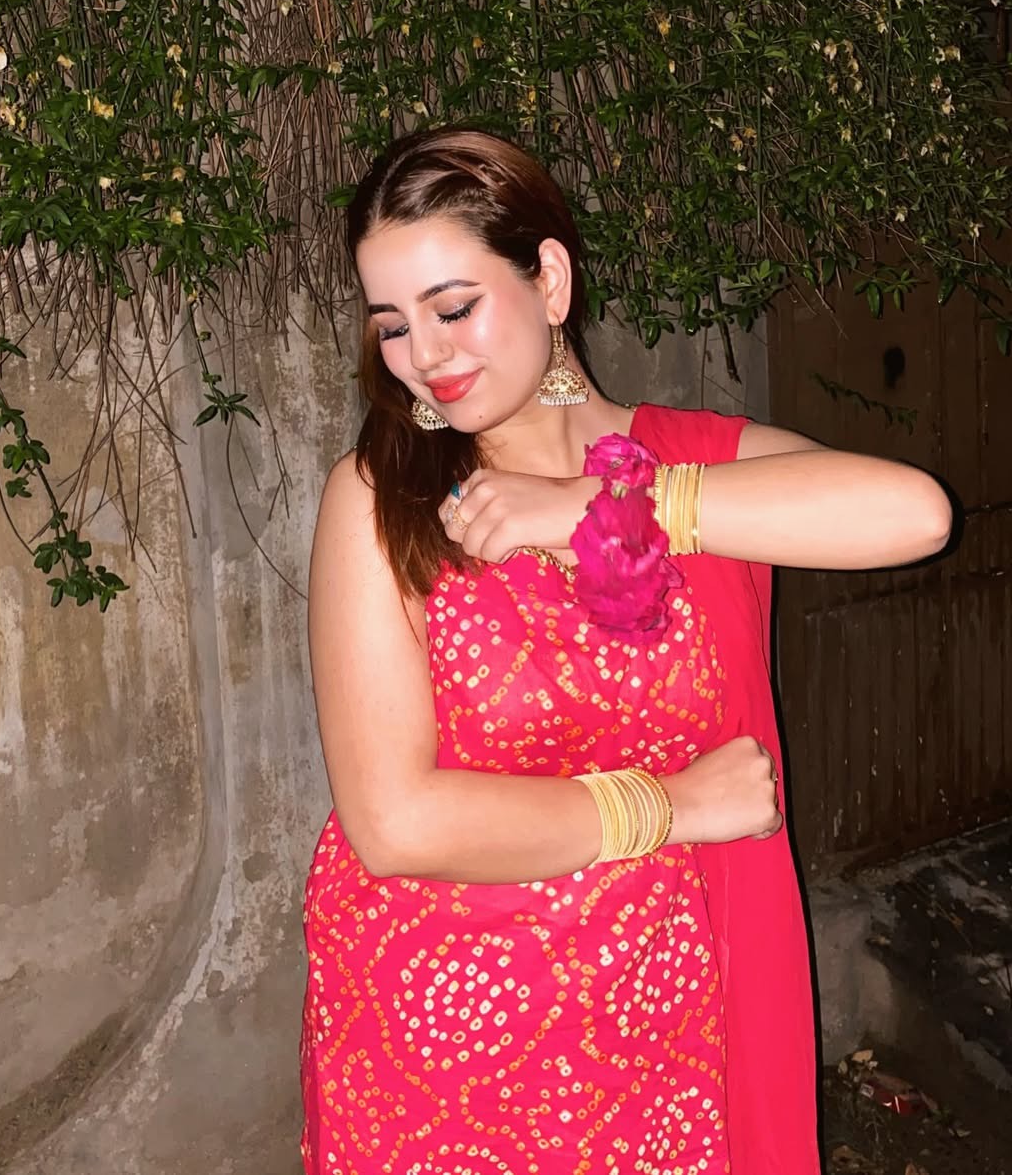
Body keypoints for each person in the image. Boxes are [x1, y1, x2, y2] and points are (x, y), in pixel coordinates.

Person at [300, 127, 951, 1175]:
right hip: (444, 1041)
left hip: (667, 1022)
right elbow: (394, 823)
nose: (426, 354)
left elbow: (915, 514)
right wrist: (673, 807)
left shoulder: (687, 462)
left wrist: (601, 505)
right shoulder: (386, 501)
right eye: (393, 325)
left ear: (550, 280)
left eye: (452, 307)